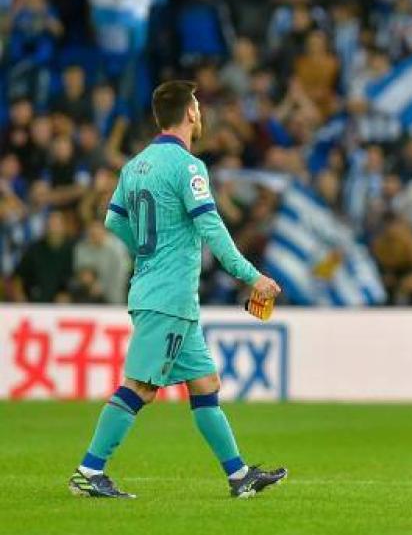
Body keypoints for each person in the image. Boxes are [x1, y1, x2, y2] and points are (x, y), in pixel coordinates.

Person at [68, 81, 287, 500]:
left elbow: (114, 221)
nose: (200, 112)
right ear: (189, 113)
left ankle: (239, 475)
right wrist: (251, 275)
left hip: (164, 294)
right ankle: (88, 471)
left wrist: (147, 251)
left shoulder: (135, 166)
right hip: (167, 298)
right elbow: (212, 228)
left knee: (205, 384)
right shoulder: (188, 167)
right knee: (141, 387)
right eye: (198, 105)